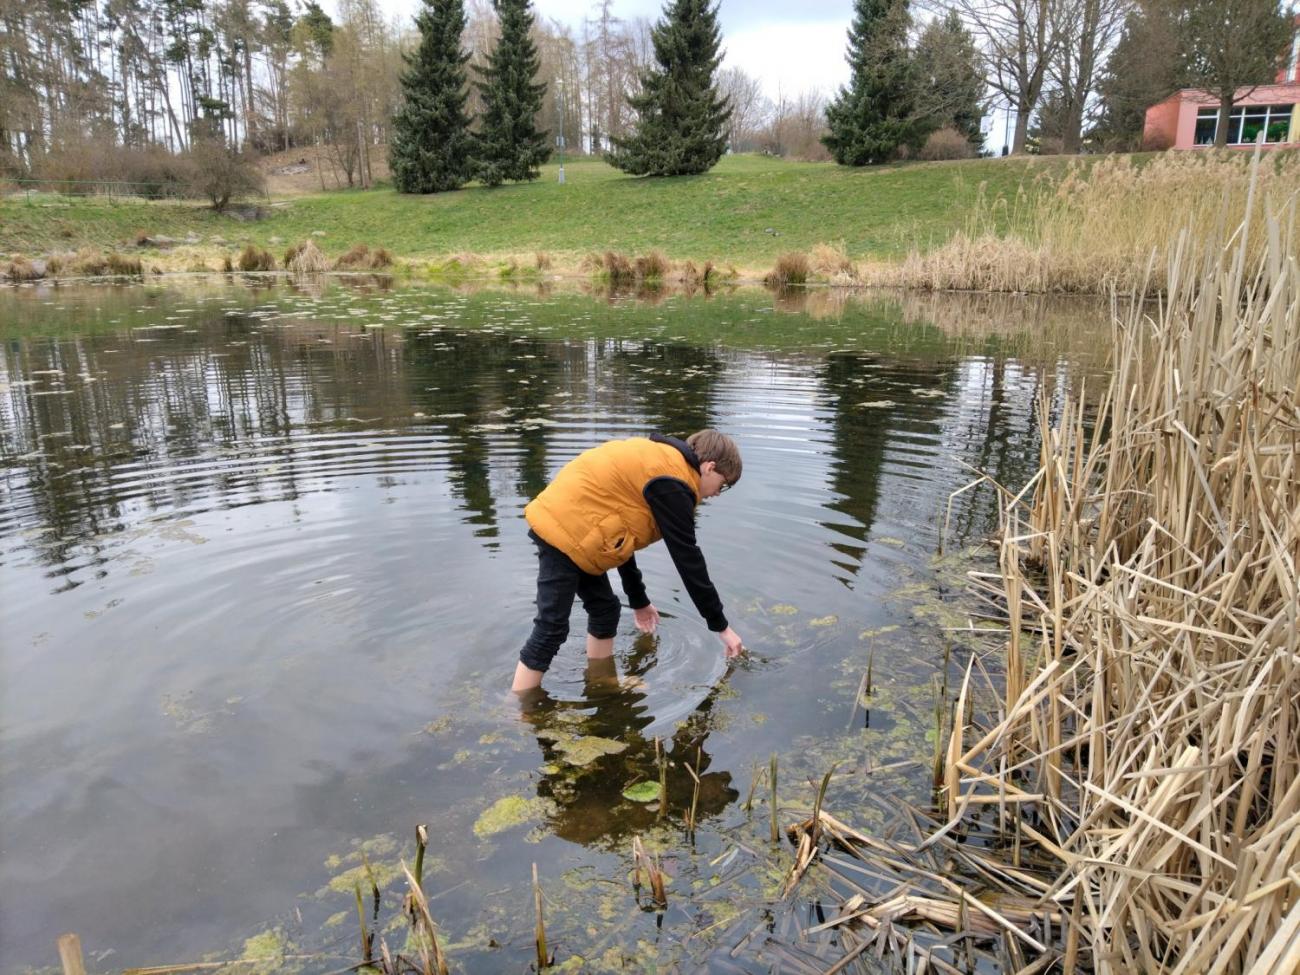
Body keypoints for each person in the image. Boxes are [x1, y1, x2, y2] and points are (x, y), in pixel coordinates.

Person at [512, 429, 745, 693]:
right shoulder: (674, 483)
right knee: (552, 626)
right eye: (723, 485)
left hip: (581, 530)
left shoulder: (664, 465)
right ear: (710, 467)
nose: (716, 494)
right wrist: (721, 626)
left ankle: (600, 682)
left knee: (605, 610)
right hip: (565, 530)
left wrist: (639, 601)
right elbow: (688, 561)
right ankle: (517, 709)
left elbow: (622, 536)